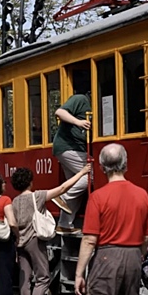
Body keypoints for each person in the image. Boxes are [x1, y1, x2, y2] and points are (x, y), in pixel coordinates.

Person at [74, 143, 148, 295]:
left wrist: (79, 274)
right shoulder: (142, 194)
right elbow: (146, 237)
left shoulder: (98, 197)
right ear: (125, 164)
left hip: (107, 258)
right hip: (133, 258)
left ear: (102, 167)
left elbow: (90, 240)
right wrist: (139, 255)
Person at [11, 164, 91, 295]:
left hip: (20, 243)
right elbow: (63, 188)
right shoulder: (37, 196)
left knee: (25, 279)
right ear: (30, 181)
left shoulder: (14, 201)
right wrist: (82, 172)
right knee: (43, 278)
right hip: (35, 241)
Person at [51, 90, 92, 235]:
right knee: (92, 175)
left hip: (72, 148)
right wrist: (78, 122)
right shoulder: (80, 99)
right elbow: (59, 112)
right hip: (68, 147)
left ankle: (64, 224)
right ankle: (62, 196)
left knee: (74, 183)